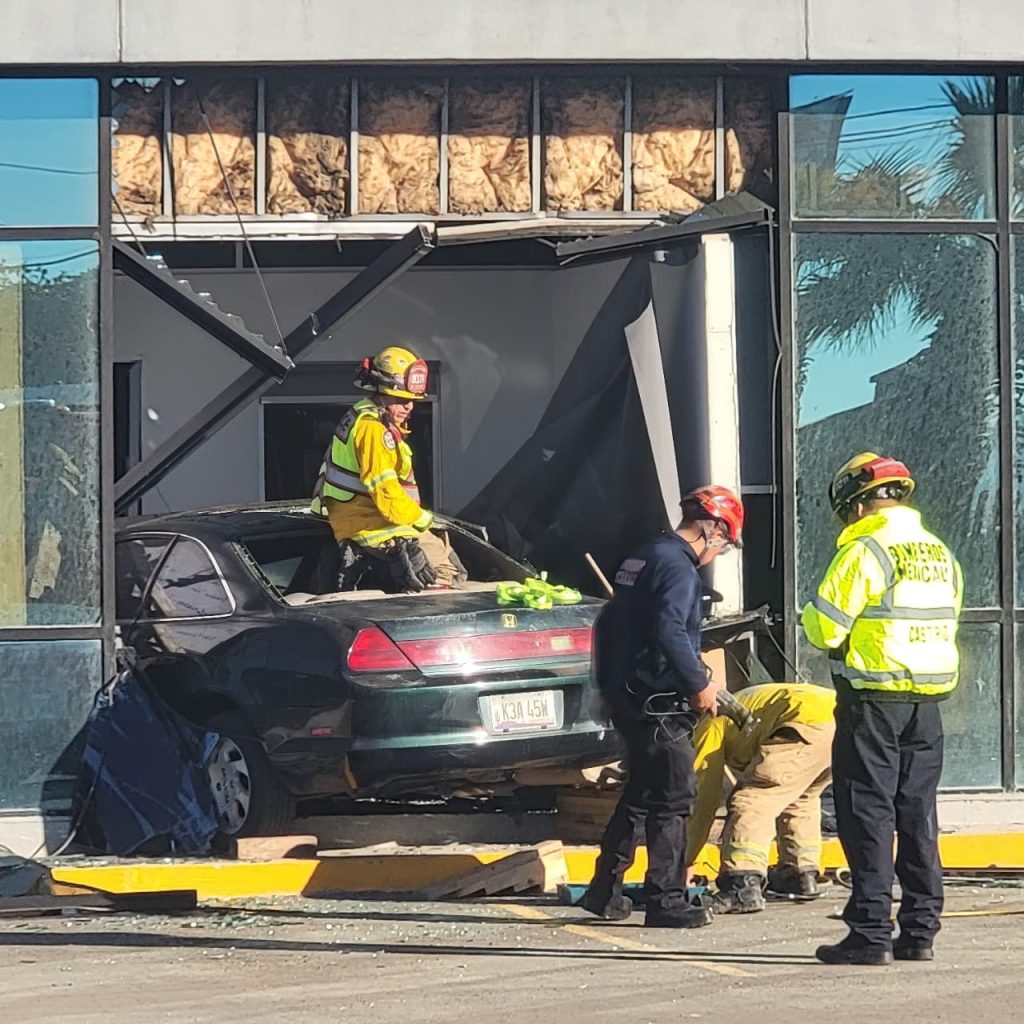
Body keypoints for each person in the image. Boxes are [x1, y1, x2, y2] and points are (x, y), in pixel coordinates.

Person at [802, 452, 963, 966]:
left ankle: (870, 932)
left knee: (867, 812)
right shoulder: (939, 552)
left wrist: (809, 615)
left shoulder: (865, 549)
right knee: (917, 814)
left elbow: (826, 629)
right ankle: (919, 931)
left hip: (873, 700)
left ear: (856, 505)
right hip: (927, 703)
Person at [579, 485, 744, 929]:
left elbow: (614, 622)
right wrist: (699, 684)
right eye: (725, 544)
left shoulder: (646, 554)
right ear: (713, 530)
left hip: (628, 694)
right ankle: (666, 900)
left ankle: (604, 890)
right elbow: (670, 630)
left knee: (640, 794)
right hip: (658, 703)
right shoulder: (678, 568)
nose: (720, 553)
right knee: (673, 798)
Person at [311, 346, 462, 592]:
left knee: (438, 565)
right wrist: (424, 520)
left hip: (367, 523)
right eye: (401, 400)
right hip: (375, 526)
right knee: (442, 574)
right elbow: (385, 492)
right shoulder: (374, 430)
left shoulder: (365, 418)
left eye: (412, 400)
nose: (409, 407)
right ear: (380, 394)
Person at [684, 682, 836, 914]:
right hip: (838, 721)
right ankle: (799, 874)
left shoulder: (709, 721)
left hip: (803, 722)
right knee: (800, 799)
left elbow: (705, 796)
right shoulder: (740, 702)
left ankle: (741, 885)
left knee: (753, 798)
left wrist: (686, 860)